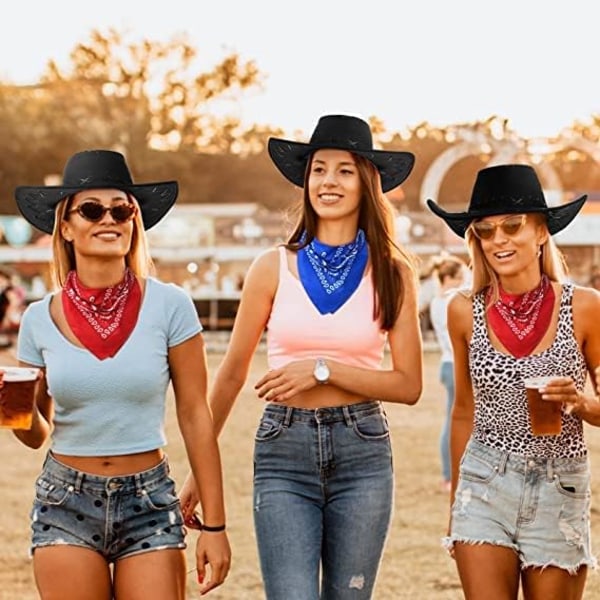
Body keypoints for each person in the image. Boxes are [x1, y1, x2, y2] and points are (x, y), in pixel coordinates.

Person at [179, 114, 423, 599]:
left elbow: (409, 385)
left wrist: (322, 369)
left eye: (345, 170)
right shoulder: (270, 266)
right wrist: (196, 474)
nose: (328, 181)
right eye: (319, 169)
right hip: (282, 450)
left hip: (363, 451)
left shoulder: (394, 272)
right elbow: (229, 375)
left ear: (367, 183)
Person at [9, 149, 231, 599]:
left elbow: (195, 415)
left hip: (149, 500)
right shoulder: (37, 319)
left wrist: (216, 524)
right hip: (64, 501)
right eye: (91, 209)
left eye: (122, 209)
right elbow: (35, 432)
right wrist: (10, 408)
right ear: (66, 227)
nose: (109, 219)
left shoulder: (171, 306)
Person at [426, 163, 600, 600]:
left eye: (512, 225)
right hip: (483, 483)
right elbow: (463, 410)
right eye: (485, 231)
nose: (499, 239)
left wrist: (578, 402)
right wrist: (456, 509)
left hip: (559, 483)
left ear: (542, 231)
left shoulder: (585, 307)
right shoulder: (462, 310)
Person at [428, 253, 467, 492]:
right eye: (460, 277)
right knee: (455, 423)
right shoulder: (449, 301)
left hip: (448, 363)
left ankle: (450, 474)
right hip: (454, 365)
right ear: (449, 278)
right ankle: (449, 475)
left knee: (453, 421)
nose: (464, 282)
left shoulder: (436, 301)